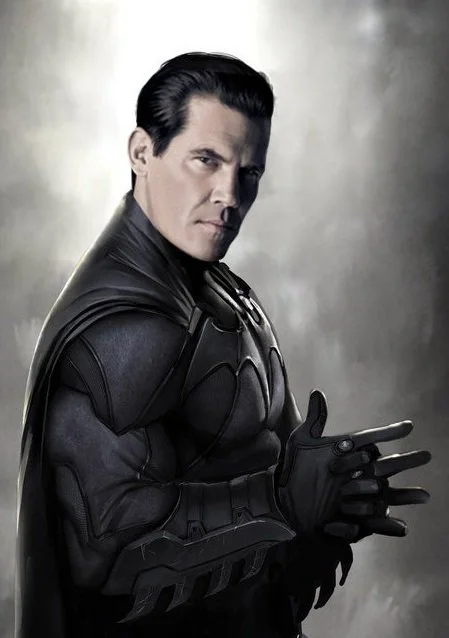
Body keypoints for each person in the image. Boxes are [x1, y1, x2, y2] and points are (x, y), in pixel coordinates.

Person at [15, 52, 430, 638]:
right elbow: (104, 547)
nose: (229, 194)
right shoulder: (118, 329)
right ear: (142, 153)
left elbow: (276, 469)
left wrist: (335, 495)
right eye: (206, 160)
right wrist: (281, 500)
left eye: (249, 172)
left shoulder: (224, 292)